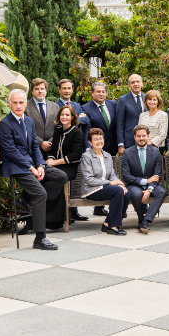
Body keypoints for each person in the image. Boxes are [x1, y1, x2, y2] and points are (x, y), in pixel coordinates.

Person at [0, 89, 66, 250]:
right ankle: (40, 238)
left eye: (21, 102)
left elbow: (35, 147)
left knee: (61, 177)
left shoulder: (28, 121)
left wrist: (41, 165)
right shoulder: (4, 124)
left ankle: (26, 198)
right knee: (40, 193)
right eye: (15, 102)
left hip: (32, 164)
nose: (19, 105)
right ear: (9, 104)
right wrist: (31, 168)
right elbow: (11, 151)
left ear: (26, 103)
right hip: (15, 165)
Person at [80, 128, 130, 235]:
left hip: (106, 188)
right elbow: (89, 179)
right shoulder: (86, 156)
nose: (99, 141)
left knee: (126, 192)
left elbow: (112, 175)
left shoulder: (107, 155)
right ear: (90, 142)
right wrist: (109, 183)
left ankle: (108, 223)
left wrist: (120, 184)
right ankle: (113, 226)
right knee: (117, 191)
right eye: (95, 139)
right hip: (91, 189)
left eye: (100, 138)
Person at [120, 125, 167, 234]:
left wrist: (149, 189)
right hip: (134, 184)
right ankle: (141, 217)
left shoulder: (155, 152)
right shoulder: (127, 152)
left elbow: (157, 174)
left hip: (152, 184)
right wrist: (145, 181)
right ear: (134, 137)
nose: (141, 138)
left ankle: (145, 221)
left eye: (144, 136)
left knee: (161, 192)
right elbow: (126, 176)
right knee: (136, 194)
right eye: (139, 136)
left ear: (148, 136)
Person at [81, 82, 117, 217]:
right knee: (97, 174)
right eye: (98, 91)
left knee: (109, 173)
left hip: (112, 146)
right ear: (92, 93)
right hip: (96, 147)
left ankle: (111, 206)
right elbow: (86, 128)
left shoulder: (113, 104)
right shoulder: (85, 108)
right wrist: (87, 147)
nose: (101, 94)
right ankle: (98, 205)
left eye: (103, 91)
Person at [45, 105, 85, 228]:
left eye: (67, 115)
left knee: (56, 181)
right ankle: (46, 218)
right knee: (43, 178)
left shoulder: (77, 132)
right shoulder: (57, 131)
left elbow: (76, 154)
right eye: (62, 115)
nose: (64, 117)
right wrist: (50, 158)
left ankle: (56, 220)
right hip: (55, 166)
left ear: (73, 117)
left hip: (69, 168)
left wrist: (55, 163)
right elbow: (52, 150)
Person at [57, 79, 90, 222]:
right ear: (59, 89)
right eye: (64, 88)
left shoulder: (77, 105)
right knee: (63, 180)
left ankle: (74, 211)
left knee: (75, 179)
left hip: (76, 147)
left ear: (73, 89)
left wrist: (76, 121)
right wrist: (78, 120)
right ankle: (65, 212)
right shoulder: (55, 106)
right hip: (62, 148)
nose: (67, 91)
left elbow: (86, 121)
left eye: (69, 88)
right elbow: (57, 123)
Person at [25, 78, 59, 159]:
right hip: (33, 150)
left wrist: (51, 142)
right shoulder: (25, 107)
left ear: (46, 91)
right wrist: (40, 143)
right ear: (32, 91)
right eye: (36, 89)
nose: (40, 91)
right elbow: (25, 129)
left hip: (52, 149)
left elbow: (58, 127)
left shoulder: (55, 107)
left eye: (42, 89)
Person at [116, 73, 146, 155]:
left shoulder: (148, 98)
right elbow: (119, 123)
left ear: (142, 84)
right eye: (133, 82)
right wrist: (121, 144)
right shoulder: (122, 100)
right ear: (129, 85)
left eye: (138, 82)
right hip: (130, 141)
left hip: (146, 140)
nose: (136, 84)